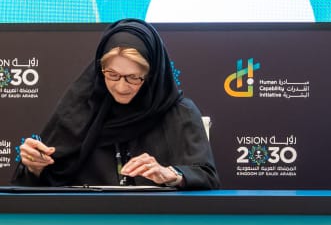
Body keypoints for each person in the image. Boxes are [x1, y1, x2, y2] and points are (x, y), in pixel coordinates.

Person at [13, 18, 220, 189]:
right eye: (112, 75)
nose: (121, 87)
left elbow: (207, 177)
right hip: (86, 220)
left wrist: (171, 174)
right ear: (99, 70)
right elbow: (44, 182)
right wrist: (35, 167)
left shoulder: (180, 113)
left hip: (159, 221)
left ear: (151, 75)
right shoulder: (78, 110)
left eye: (133, 78)